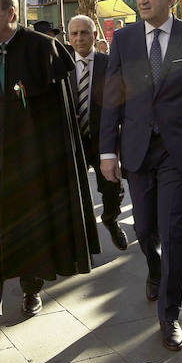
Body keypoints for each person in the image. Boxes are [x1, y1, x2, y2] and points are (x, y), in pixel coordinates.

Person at [0, 0, 99, 338]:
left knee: (33, 231)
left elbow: (58, 116)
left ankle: (31, 291)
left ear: (10, 14)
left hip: (34, 163)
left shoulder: (42, 50)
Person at [100, 0, 182, 351]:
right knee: (146, 228)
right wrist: (106, 152)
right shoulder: (125, 40)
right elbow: (112, 100)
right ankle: (154, 268)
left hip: (178, 151)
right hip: (136, 149)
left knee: (173, 229)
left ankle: (170, 315)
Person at [66, 15, 128, 251]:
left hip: (104, 141)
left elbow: (122, 102)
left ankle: (111, 220)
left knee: (113, 189)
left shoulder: (110, 63)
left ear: (94, 36)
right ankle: (81, 239)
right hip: (73, 143)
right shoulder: (61, 65)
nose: (79, 38)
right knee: (74, 193)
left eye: (84, 33)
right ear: (69, 37)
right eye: (75, 33)